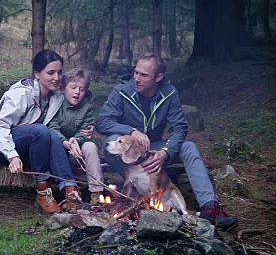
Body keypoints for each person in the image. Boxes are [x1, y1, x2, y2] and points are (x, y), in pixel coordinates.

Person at [96, 53, 239, 228]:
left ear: (159, 77)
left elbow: (179, 128)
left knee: (189, 147)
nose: (137, 78)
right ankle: (134, 190)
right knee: (110, 142)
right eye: (136, 72)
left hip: (154, 148)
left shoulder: (169, 93)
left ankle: (210, 207)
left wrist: (166, 152)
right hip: (128, 148)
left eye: (144, 75)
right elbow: (103, 122)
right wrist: (132, 131)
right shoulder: (121, 91)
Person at [0, 49, 83, 214]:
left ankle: (69, 190)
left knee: (50, 134)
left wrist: (78, 136)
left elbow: (56, 126)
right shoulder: (21, 94)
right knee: (40, 130)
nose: (56, 78)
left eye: (59, 72)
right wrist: (12, 155)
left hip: (30, 147)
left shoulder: (55, 97)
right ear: (37, 73)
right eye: (50, 73)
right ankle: (42, 193)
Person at [47, 68, 105, 203]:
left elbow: (86, 128)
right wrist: (66, 142)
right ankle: (69, 189)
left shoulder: (87, 107)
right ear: (62, 88)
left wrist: (77, 139)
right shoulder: (56, 104)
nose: (77, 92)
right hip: (58, 151)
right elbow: (52, 127)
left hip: (76, 153)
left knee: (90, 146)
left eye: (82, 89)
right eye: (73, 87)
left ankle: (96, 192)